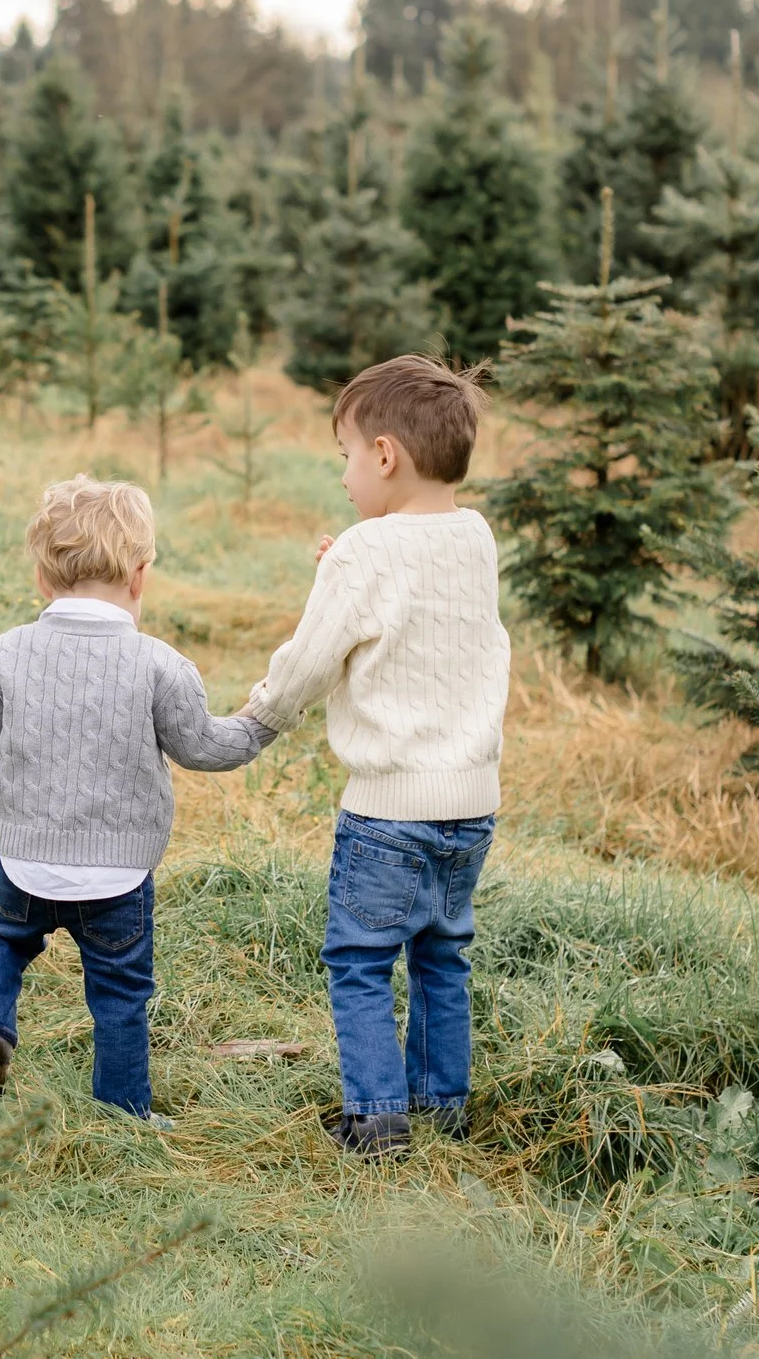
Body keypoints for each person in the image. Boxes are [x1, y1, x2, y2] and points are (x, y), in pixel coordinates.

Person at [241, 356, 511, 1159]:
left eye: (346, 457)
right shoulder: (475, 536)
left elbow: (313, 659)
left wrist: (262, 715)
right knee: (442, 955)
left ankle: (377, 1119)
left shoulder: (365, 551)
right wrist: (348, 567)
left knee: (360, 960)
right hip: (471, 802)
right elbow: (419, 611)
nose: (346, 477)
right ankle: (443, 1109)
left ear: (385, 454)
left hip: (389, 806)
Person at [0, 475, 276, 1122]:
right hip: (119, 874)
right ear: (140, 574)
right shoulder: (159, 664)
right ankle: (124, 1108)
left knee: (0, 938)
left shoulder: (4, 653)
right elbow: (203, 747)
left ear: (42, 578)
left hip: (26, 858)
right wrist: (266, 716)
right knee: (121, 990)